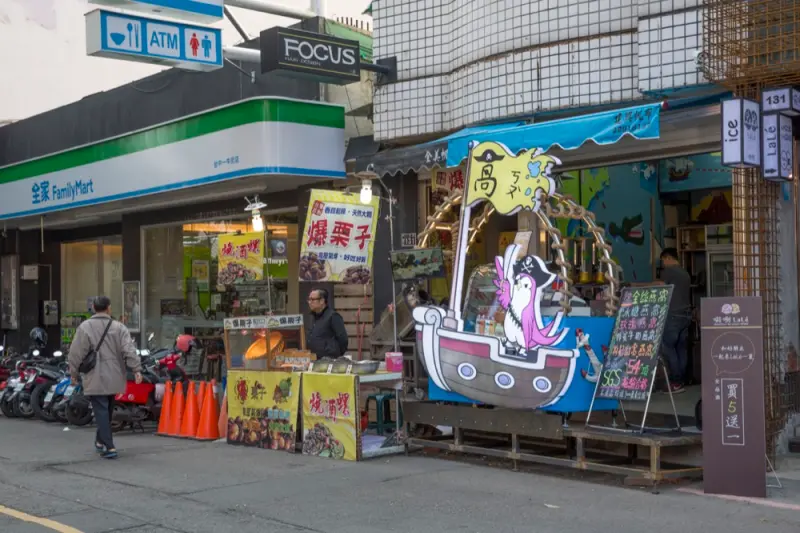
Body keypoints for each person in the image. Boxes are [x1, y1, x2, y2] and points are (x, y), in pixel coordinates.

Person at [68, 296, 143, 459]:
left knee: (101, 410)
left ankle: (109, 446)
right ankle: (101, 441)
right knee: (107, 408)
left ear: (94, 308)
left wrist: (73, 373)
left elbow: (76, 353)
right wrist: (136, 369)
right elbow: (129, 349)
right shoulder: (119, 327)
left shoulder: (85, 327)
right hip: (115, 374)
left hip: (95, 374)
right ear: (108, 308)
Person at [657, 248, 692, 394]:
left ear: (668, 258)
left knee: (668, 348)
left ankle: (675, 382)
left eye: (663, 260)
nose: (663, 264)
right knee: (681, 349)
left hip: (672, 316)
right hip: (685, 316)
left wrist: (634, 286)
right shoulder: (685, 273)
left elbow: (659, 286)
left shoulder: (669, 271)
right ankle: (682, 380)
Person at [306, 288, 349, 360]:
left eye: (312, 300)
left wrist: (335, 354)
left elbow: (343, 339)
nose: (310, 302)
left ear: (322, 301)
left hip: (329, 361)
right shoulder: (314, 317)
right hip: (314, 360)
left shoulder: (333, 316)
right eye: (309, 300)